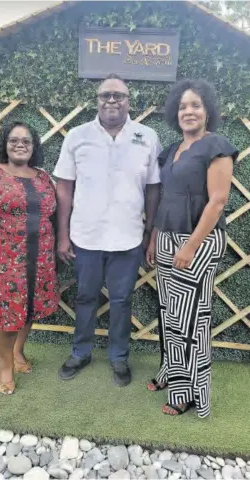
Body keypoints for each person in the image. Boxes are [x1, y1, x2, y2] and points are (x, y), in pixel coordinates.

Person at [54, 74, 162, 386]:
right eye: (105, 95)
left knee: (122, 300)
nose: (112, 100)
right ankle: (81, 351)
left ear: (130, 101)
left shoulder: (147, 136)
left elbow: (154, 189)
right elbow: (64, 187)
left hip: (128, 238)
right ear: (97, 100)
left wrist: (148, 231)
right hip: (86, 236)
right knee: (86, 296)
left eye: (119, 95)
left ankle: (118, 357)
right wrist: (63, 234)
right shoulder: (78, 135)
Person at [146, 79, 239, 417]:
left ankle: (188, 393)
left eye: (195, 105)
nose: (189, 111)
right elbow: (167, 199)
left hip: (198, 241)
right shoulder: (172, 150)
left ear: (207, 111)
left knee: (188, 319)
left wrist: (189, 246)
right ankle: (171, 371)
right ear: (176, 112)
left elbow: (217, 201)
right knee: (172, 314)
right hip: (168, 237)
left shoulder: (216, 145)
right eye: (183, 106)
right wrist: (157, 236)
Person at [0, 121, 60, 395]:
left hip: (41, 258)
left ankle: (19, 353)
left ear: (34, 147)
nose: (20, 145)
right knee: (4, 315)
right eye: (14, 140)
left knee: (29, 308)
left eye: (27, 141)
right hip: (3, 259)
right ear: (4, 144)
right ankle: (5, 365)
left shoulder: (43, 177)